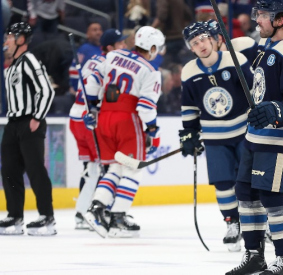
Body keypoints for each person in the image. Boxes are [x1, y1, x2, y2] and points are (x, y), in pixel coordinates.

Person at [226, 0, 283, 274]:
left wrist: (276, 109)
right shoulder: (269, 48)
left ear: (279, 20)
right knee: (246, 191)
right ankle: (254, 255)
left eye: (263, 16)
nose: (257, 20)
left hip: (281, 137)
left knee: (272, 195)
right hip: (258, 135)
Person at [83, 26, 165, 238]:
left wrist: (92, 107)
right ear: (153, 47)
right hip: (127, 120)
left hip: (104, 118)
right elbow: (145, 107)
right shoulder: (150, 71)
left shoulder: (113, 55)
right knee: (133, 170)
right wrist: (153, 131)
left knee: (115, 169)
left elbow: (91, 81)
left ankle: (96, 208)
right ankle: (118, 217)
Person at [180, 22, 253, 252]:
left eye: (202, 39)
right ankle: (232, 224)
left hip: (243, 132)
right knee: (222, 184)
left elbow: (254, 94)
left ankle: (260, 223)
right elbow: (189, 106)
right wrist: (189, 132)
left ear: (213, 39)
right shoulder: (189, 71)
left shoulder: (236, 60)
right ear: (190, 48)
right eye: (194, 43)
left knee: (251, 181)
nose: (200, 45)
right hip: (214, 137)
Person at [0, 22, 56, 236]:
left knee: (35, 170)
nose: (6, 41)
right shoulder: (11, 66)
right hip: (13, 124)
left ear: (21, 40)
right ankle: (15, 216)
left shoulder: (29, 60)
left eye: (10, 37)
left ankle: (47, 217)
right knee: (9, 171)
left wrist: (36, 117)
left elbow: (46, 91)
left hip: (29, 123)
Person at [69, 29, 128, 229]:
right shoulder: (109, 64)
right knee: (102, 168)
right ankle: (94, 212)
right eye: (121, 44)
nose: (125, 47)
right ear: (110, 47)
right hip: (90, 119)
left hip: (76, 116)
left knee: (91, 169)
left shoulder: (92, 60)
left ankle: (83, 212)